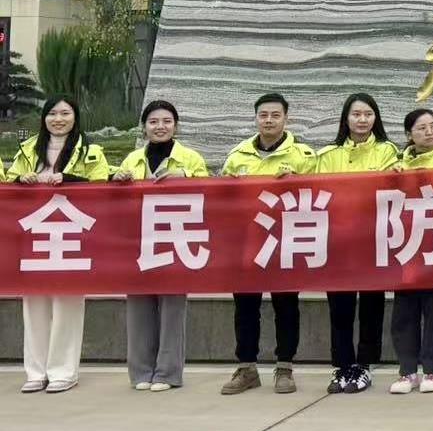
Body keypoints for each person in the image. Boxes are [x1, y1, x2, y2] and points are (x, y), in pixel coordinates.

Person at [7, 95, 108, 393]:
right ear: (44, 118)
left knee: (67, 304)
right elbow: (9, 181)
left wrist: (68, 178)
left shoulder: (91, 150)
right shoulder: (28, 149)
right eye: (52, 113)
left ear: (75, 117)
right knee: (33, 303)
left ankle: (63, 371)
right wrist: (22, 180)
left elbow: (102, 184)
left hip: (71, 236)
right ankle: (36, 372)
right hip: (35, 235)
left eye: (65, 113)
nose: (58, 119)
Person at [220, 92, 317, 396]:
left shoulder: (304, 156)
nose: (269, 121)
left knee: (286, 306)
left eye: (275, 115)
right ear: (255, 118)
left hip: (285, 241)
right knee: (245, 307)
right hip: (246, 242)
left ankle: (284, 367)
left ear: (287, 118)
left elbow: (320, 198)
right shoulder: (238, 156)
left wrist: (298, 181)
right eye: (263, 115)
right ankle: (246, 368)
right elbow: (221, 197)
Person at [113, 100, 210, 392]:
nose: (160, 127)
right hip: (139, 242)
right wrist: (116, 180)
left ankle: (167, 373)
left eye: (167, 121)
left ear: (176, 126)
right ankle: (141, 371)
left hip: (176, 240)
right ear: (144, 127)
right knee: (138, 307)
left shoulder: (190, 158)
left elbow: (211, 193)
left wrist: (186, 178)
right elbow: (115, 203)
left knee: (172, 310)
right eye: (153, 121)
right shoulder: (132, 160)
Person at [315, 92, 400, 394]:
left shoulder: (389, 151)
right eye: (356, 114)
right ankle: (342, 366)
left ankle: (364, 366)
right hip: (338, 241)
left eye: (368, 114)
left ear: (376, 118)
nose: (362, 120)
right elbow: (319, 195)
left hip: (373, 240)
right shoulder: (328, 155)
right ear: (346, 119)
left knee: (371, 306)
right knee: (340, 307)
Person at [389, 107, 433, 395]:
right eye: (421, 128)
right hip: (404, 247)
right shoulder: (394, 165)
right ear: (409, 134)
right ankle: (407, 371)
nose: (429, 132)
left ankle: (431, 370)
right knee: (404, 313)